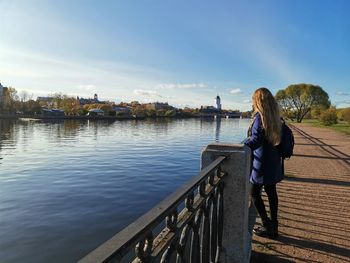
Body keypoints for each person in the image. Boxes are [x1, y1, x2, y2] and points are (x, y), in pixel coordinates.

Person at [244, 87, 283, 238]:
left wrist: (241, 147)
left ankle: (267, 225)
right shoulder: (275, 116)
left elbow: (256, 140)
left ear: (258, 101)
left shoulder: (260, 117)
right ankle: (274, 226)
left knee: (254, 193)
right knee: (271, 191)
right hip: (273, 159)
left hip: (262, 162)